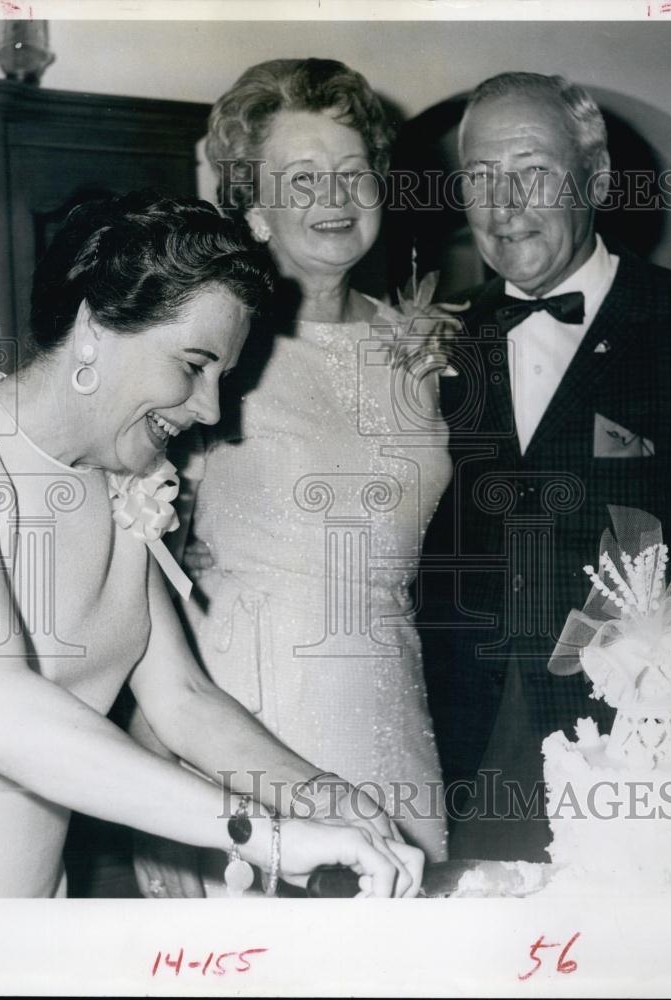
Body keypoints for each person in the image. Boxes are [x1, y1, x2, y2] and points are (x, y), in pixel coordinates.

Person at [0, 191, 423, 898]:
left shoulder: (123, 481)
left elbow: (182, 696)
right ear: (94, 330)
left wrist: (329, 799)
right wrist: (262, 834)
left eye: (222, 378)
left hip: (32, 913)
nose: (210, 408)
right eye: (193, 363)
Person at [418, 72, 671, 861]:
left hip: (653, 760)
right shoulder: (437, 347)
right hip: (473, 754)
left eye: (532, 170)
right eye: (480, 176)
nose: (503, 203)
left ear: (598, 178)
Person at [177, 58, 450, 861]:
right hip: (254, 711)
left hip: (392, 692)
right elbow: (142, 566)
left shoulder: (421, 339)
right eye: (300, 178)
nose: (332, 197)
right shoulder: (209, 342)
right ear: (252, 204)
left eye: (351, 171)